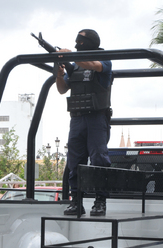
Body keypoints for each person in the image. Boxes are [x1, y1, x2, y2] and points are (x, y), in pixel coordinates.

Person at [56, 29, 113, 216]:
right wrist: (59, 71)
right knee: (75, 160)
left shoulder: (103, 60)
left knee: (99, 159)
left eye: (80, 42)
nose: (77, 45)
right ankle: (76, 201)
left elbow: (93, 65)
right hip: (77, 118)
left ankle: (100, 201)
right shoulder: (75, 66)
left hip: (96, 117)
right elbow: (62, 89)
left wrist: (70, 56)